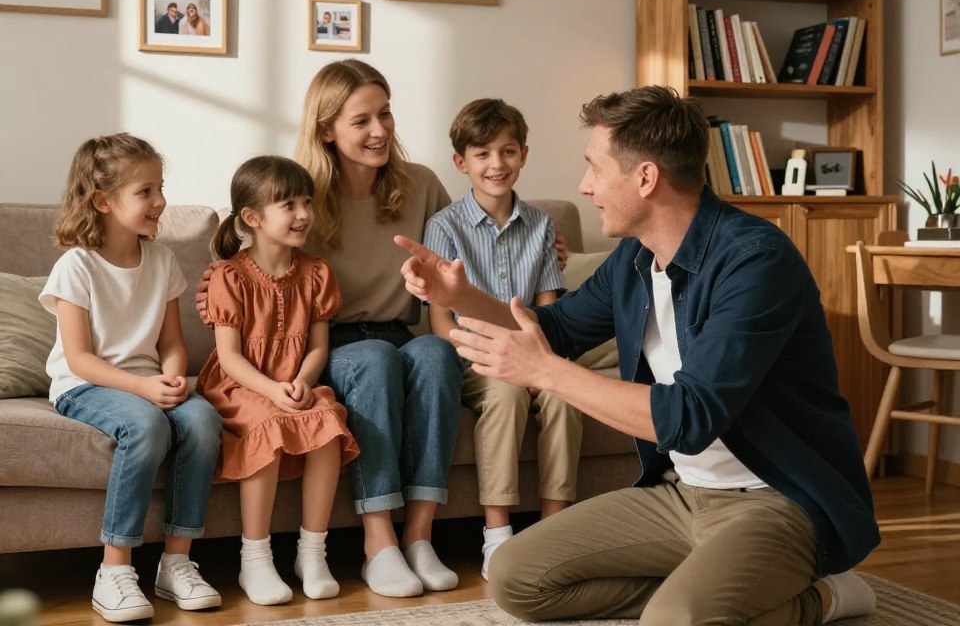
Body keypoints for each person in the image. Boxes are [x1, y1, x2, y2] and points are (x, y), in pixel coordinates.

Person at [396, 85, 881, 625]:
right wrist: (457, 297)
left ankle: (825, 598)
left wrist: (546, 373)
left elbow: (689, 417)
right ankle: (703, 590)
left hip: (776, 499)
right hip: (682, 495)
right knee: (516, 578)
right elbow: (553, 328)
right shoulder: (635, 257)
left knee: (674, 622)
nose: (584, 187)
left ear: (645, 178)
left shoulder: (755, 262)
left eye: (595, 170)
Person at [198, 60, 464, 599]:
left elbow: (465, 249)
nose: (380, 130)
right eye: (361, 120)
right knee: (372, 359)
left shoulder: (423, 185)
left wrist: (540, 246)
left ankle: (419, 535)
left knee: (436, 353)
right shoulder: (300, 195)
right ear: (326, 129)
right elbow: (251, 255)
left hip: (397, 334)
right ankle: (377, 541)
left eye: (385, 114)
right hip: (334, 345)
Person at [40, 133, 222, 623]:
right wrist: (143, 389)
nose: (160, 201)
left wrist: (171, 377)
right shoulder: (75, 266)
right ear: (103, 200)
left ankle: (177, 562)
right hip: (86, 385)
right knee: (145, 425)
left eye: (160, 188)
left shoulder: (162, 260)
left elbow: (171, 343)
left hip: (146, 379)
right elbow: (78, 358)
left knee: (203, 420)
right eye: (146, 191)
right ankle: (115, 569)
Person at [423, 98, 576, 582]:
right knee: (507, 396)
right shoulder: (443, 227)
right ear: (460, 162)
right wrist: (498, 360)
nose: (496, 164)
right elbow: (441, 325)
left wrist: (541, 364)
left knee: (564, 395)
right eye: (482, 153)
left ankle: (556, 532)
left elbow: (551, 314)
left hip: (535, 352)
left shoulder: (543, 225)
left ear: (524, 155)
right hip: (476, 362)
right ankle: (497, 537)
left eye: (508, 152)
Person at [197, 155, 359, 606]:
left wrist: (305, 382)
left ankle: (312, 552)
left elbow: (318, 347)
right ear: (252, 217)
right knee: (267, 426)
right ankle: (255, 558)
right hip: (241, 387)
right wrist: (271, 390)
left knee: (328, 422)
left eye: (306, 201)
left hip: (295, 383)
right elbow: (228, 357)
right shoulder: (229, 276)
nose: (304, 213)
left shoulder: (317, 273)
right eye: (288, 204)